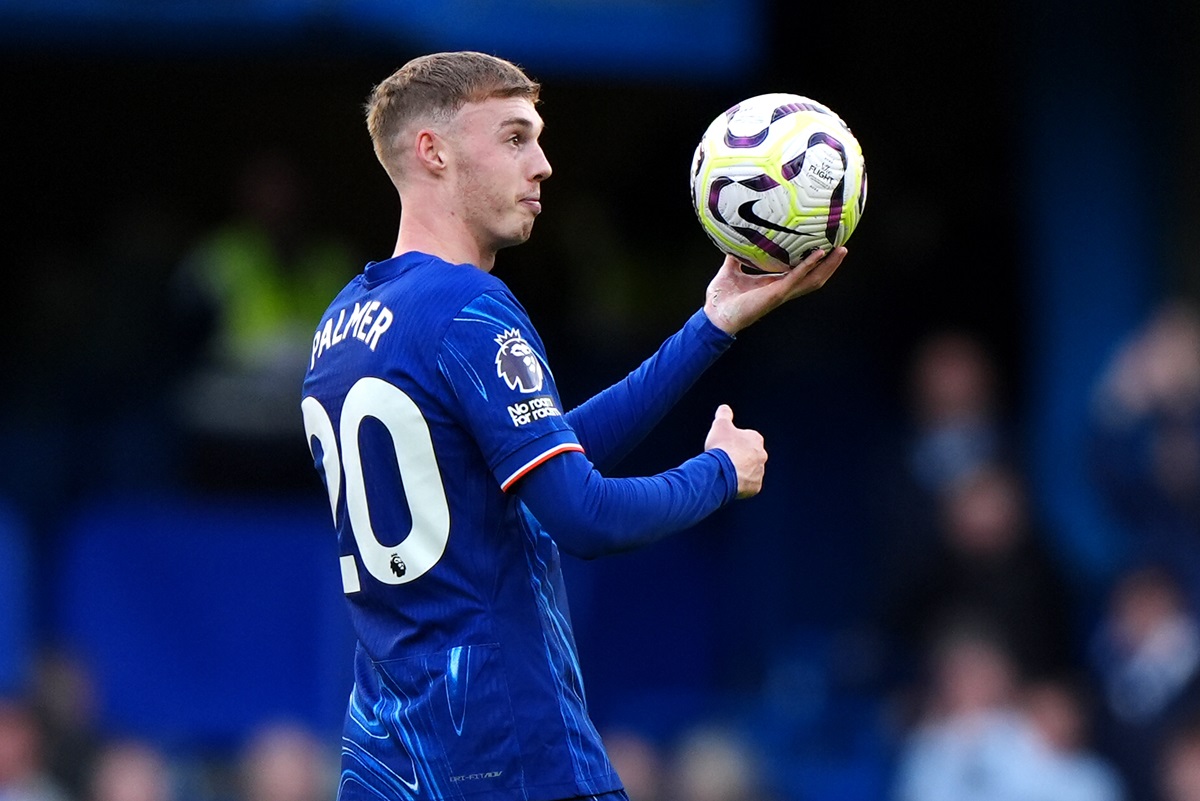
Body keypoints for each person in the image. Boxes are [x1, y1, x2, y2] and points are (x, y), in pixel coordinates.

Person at [299, 51, 846, 801]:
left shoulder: (343, 324)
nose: (544, 164)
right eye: (516, 137)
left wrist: (712, 324)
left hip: (389, 757)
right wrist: (719, 473)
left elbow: (543, 455)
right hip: (509, 747)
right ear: (434, 152)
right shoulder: (468, 309)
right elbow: (581, 514)